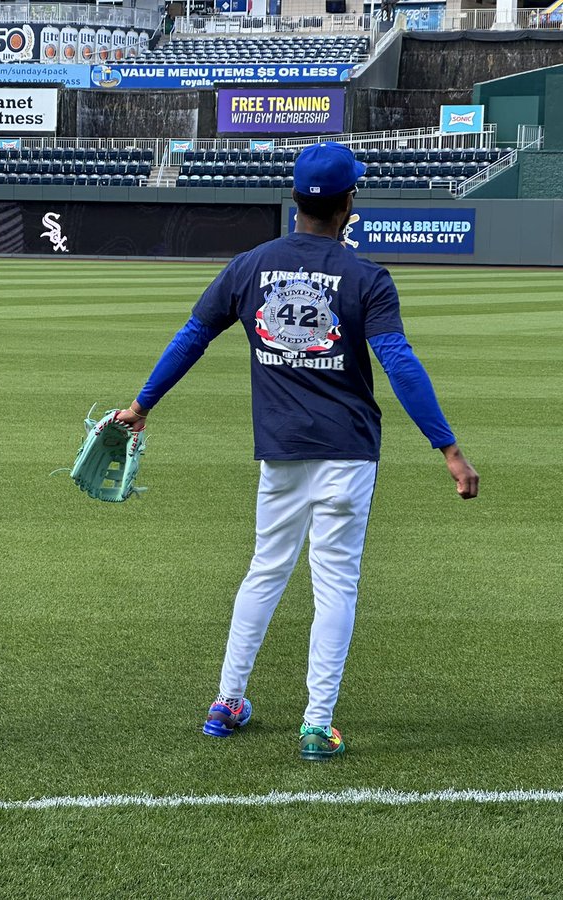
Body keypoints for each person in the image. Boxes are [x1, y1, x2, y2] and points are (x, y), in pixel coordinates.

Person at [114, 142, 479, 762]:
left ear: (295, 200)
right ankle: (316, 724)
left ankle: (228, 701)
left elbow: (193, 336)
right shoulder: (366, 277)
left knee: (265, 570)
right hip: (349, 452)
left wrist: (142, 404)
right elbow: (399, 363)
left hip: (281, 450)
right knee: (335, 584)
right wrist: (448, 448)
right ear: (347, 204)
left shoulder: (250, 265)